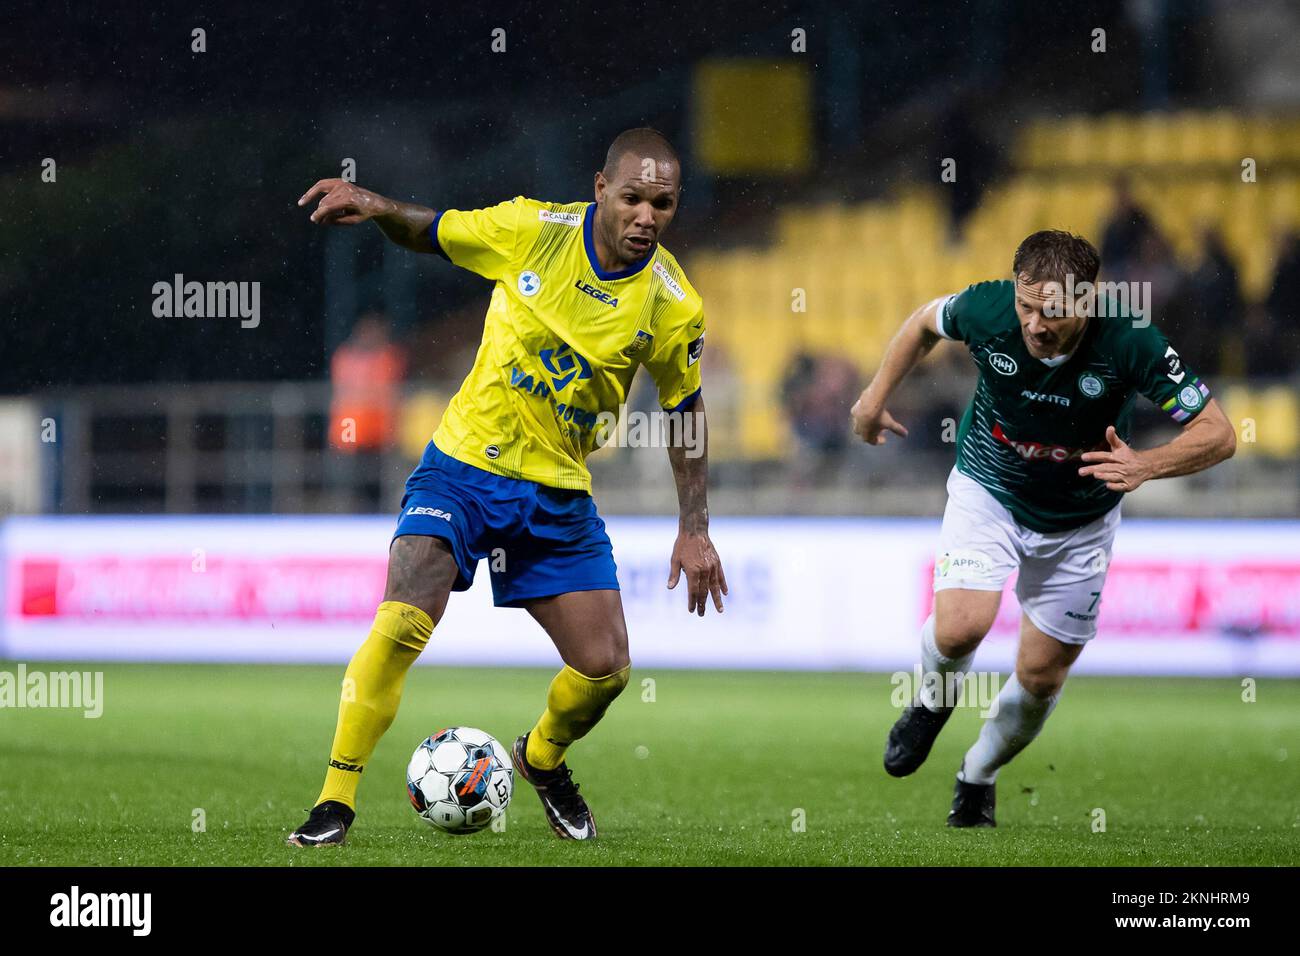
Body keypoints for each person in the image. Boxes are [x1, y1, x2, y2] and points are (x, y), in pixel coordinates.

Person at [288, 128, 726, 845]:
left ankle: (541, 758)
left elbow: (685, 413)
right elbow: (429, 230)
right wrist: (373, 203)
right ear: (600, 190)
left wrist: (696, 526)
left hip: (557, 490)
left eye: (664, 203)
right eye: (633, 198)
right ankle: (335, 800)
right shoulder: (531, 229)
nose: (647, 216)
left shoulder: (673, 304)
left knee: (606, 671)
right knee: (403, 616)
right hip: (462, 466)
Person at [850, 230, 1236, 827]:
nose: (1034, 324)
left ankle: (977, 775)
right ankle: (932, 702)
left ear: (1089, 302)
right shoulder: (988, 308)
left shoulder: (1129, 339)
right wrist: (875, 397)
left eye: (1053, 312)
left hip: (1081, 519)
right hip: (990, 488)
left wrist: (1144, 464)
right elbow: (922, 323)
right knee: (960, 630)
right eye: (1028, 307)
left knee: (1038, 675)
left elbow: (1219, 433)